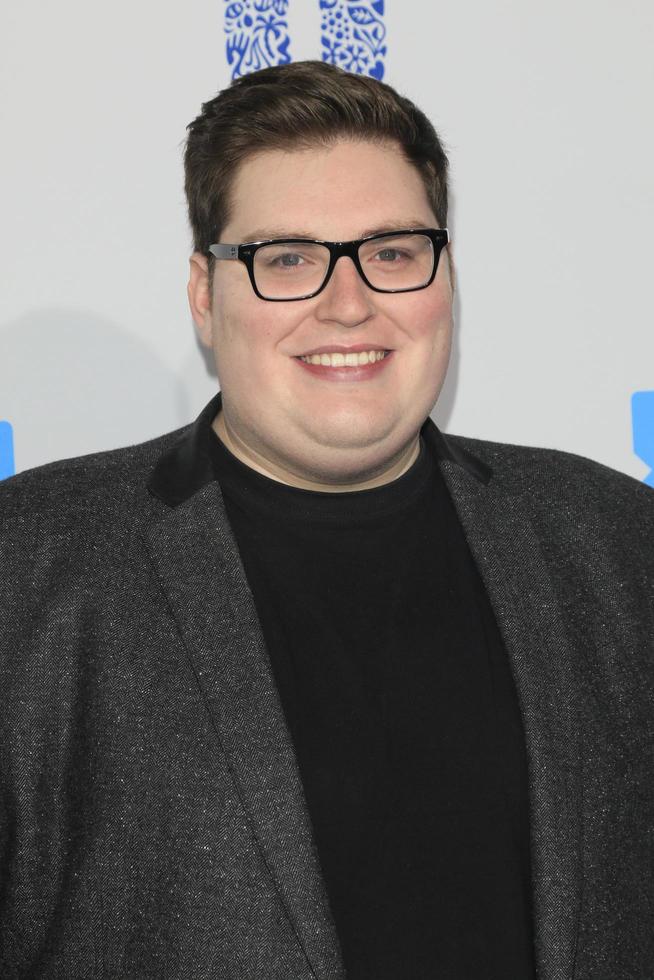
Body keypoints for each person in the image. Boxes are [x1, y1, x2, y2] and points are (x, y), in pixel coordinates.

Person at [0, 60, 652, 980]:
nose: (349, 304)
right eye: (289, 260)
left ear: (446, 276)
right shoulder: (28, 567)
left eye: (391, 252)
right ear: (204, 294)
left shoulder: (617, 545)